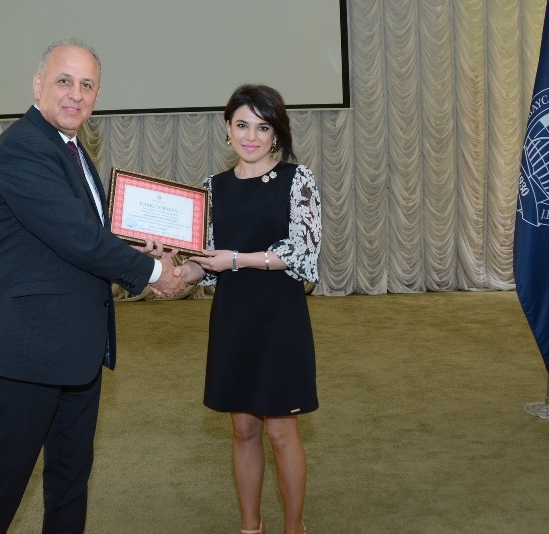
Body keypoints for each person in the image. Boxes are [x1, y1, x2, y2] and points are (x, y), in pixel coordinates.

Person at [0, 38, 184, 533]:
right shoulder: (22, 147)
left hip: (76, 349)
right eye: (64, 81)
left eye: (87, 85)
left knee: (69, 481)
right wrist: (154, 273)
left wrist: (138, 248)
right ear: (37, 85)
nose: (76, 94)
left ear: (97, 95)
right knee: (2, 487)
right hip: (27, 353)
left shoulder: (72, 149)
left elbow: (86, 234)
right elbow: (77, 237)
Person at [177, 84, 321, 534]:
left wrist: (237, 259)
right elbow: (205, 261)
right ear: (227, 128)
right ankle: (250, 527)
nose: (251, 136)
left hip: (280, 320)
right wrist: (174, 275)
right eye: (242, 125)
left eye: (262, 127)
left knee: (280, 431)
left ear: (276, 133)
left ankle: (294, 528)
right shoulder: (212, 188)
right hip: (233, 320)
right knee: (242, 429)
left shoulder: (298, 179)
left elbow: (303, 252)